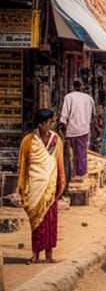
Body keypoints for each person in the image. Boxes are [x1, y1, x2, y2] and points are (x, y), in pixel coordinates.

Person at [17, 109, 66, 264]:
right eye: (50, 122)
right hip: (34, 185)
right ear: (42, 123)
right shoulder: (28, 141)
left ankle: (49, 255)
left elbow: (59, 164)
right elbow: (23, 166)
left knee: (50, 221)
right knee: (36, 222)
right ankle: (35, 254)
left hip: (50, 185)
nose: (51, 125)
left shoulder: (56, 140)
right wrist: (22, 186)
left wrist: (61, 183)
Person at [59, 79, 96, 179]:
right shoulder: (89, 98)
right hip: (84, 129)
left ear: (72, 86)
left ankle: (72, 174)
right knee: (82, 153)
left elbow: (64, 116)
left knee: (71, 154)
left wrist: (62, 125)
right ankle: (81, 173)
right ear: (82, 87)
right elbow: (93, 115)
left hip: (71, 130)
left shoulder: (68, 97)